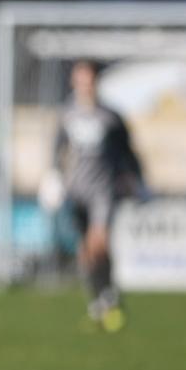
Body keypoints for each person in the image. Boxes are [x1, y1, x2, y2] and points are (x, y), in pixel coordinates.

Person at [47, 60, 144, 332]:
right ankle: (99, 300)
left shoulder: (110, 116)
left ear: (96, 82)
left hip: (104, 190)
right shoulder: (66, 114)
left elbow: (127, 152)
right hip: (76, 189)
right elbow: (57, 149)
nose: (84, 85)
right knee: (85, 251)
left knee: (99, 241)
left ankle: (109, 294)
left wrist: (134, 178)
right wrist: (53, 176)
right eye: (80, 79)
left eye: (88, 79)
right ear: (74, 82)